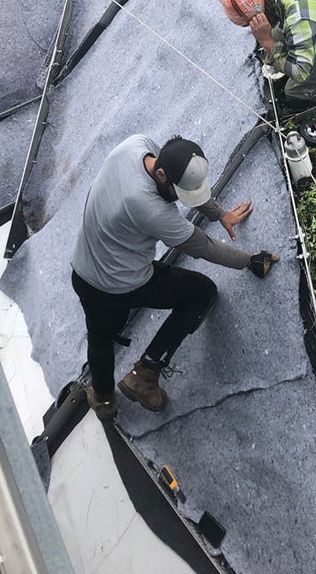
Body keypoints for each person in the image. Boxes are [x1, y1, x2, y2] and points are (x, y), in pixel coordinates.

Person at [71, 134, 278, 421]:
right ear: (160, 174)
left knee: (100, 338)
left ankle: (104, 399)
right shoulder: (151, 210)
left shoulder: (137, 145)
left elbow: (185, 188)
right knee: (201, 292)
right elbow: (204, 247)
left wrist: (220, 214)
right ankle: (145, 374)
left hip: (82, 269)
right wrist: (250, 260)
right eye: (179, 193)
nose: (183, 201)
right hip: (120, 284)